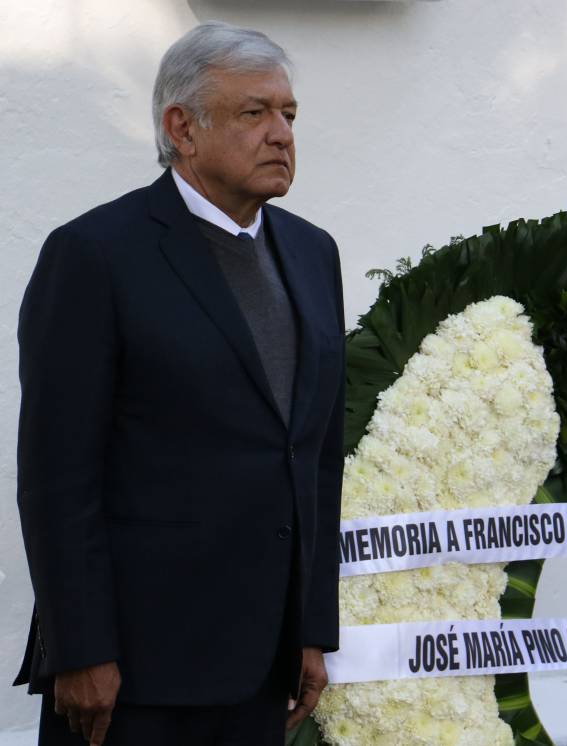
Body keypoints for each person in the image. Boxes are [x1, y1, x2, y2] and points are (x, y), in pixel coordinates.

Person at [14, 21, 345, 746]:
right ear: (181, 128)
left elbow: (315, 459)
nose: (282, 133)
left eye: (288, 114)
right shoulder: (94, 255)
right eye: (253, 113)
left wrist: (312, 628)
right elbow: (57, 475)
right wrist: (81, 647)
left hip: (262, 668)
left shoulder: (314, 255)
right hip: (132, 674)